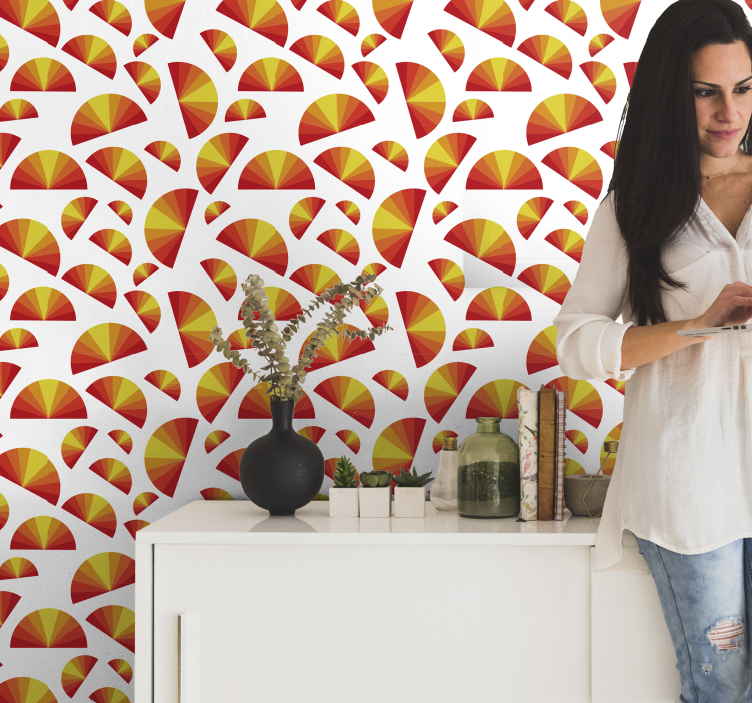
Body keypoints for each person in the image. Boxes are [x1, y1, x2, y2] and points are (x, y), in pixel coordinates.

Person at [553, 0, 752, 700]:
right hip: (692, 490)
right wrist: (697, 325)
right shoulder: (634, 206)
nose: (729, 113)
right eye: (705, 92)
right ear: (672, 94)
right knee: (722, 685)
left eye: (743, 88)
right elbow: (575, 342)